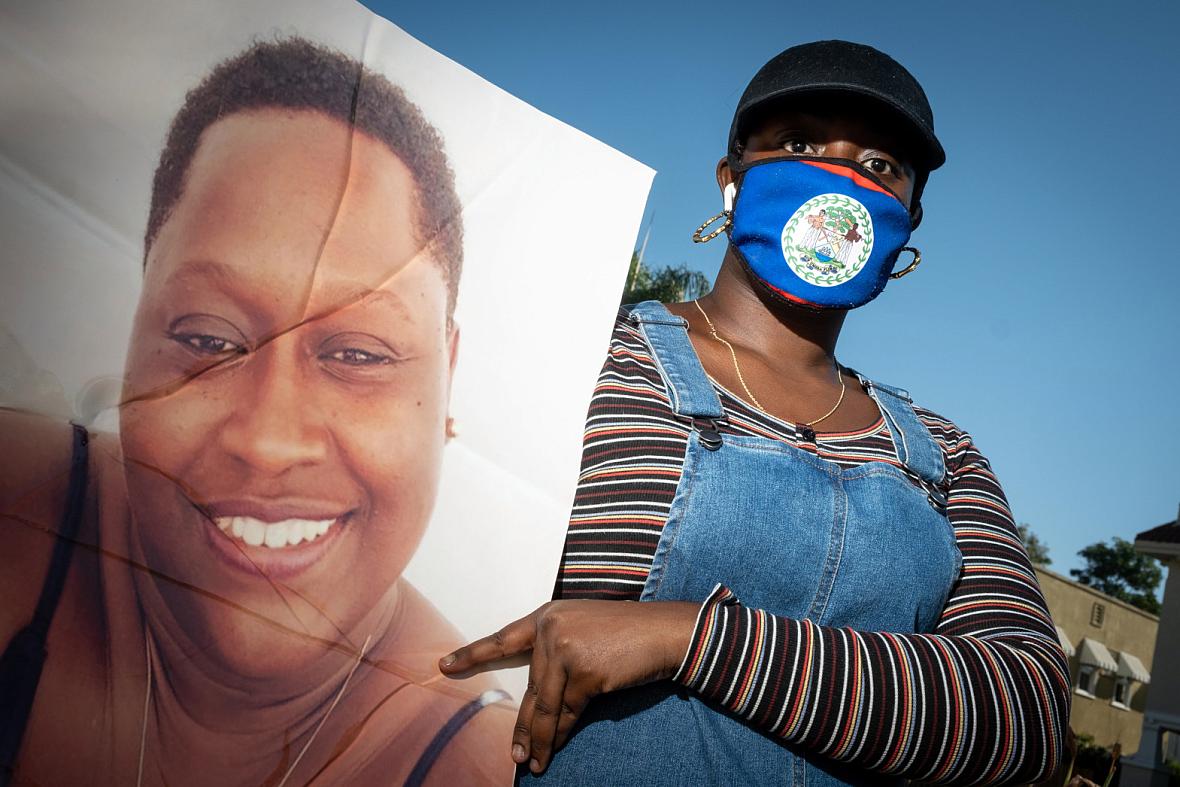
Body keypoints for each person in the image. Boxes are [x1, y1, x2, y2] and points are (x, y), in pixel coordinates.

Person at [441, 40, 1070, 784]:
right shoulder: (584, 364)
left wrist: (696, 638)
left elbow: (1027, 721)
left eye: (880, 166)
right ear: (730, 180)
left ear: (907, 222)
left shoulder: (944, 456)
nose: (839, 176)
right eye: (799, 142)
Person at [0, 38, 512, 785]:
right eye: (208, 338)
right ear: (138, 321)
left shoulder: (481, 763)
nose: (269, 442)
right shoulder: (16, 511)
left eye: (360, 354)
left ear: (448, 381)